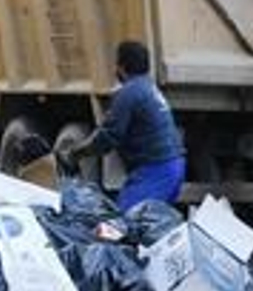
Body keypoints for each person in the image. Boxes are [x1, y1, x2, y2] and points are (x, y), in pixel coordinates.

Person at [58, 41, 186, 209]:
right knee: (147, 224)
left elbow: (108, 137)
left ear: (121, 67)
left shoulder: (128, 94)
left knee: (123, 225)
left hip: (155, 170)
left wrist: (76, 152)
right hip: (173, 165)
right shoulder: (148, 88)